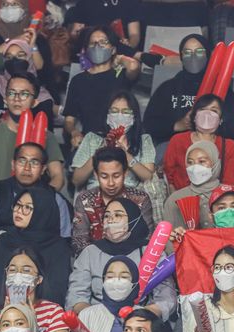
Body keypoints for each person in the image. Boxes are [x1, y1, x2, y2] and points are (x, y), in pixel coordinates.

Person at [67, 198, 176, 318]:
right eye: (107, 216)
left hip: (142, 319)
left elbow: (166, 298)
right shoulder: (90, 253)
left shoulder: (151, 251)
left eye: (118, 215)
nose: (111, 220)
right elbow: (76, 295)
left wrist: (140, 317)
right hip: (98, 319)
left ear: (133, 218)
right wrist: (94, 317)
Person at [71, 91, 164, 221]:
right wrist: (99, 154)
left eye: (126, 112)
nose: (119, 115)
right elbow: (76, 179)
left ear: (134, 116)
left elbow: (148, 176)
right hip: (96, 197)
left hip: (131, 200)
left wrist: (126, 155)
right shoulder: (92, 138)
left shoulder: (143, 140)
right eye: (114, 111)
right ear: (107, 115)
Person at [143, 34, 234, 145]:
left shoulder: (221, 89)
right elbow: (149, 124)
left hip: (212, 146)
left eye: (199, 51)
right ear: (181, 57)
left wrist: (212, 128)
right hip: (174, 146)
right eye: (187, 52)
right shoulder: (168, 88)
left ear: (208, 55)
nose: (193, 56)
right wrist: (177, 125)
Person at [0, 142, 71, 253]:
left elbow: (63, 241)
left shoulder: (55, 199)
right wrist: (12, 255)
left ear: (43, 169)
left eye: (34, 162)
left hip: (42, 257)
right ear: (13, 164)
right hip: (1, 252)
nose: (27, 168)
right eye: (22, 161)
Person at [0, 72, 64, 191]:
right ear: (5, 99)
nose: (17, 99)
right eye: (11, 93)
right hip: (1, 200)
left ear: (35, 102)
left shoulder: (47, 136)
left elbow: (57, 177)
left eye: (24, 94)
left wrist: (42, 199)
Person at [0, 187, 71, 307]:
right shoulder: (5, 240)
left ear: (42, 211)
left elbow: (57, 291)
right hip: (5, 310)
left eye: (27, 207)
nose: (19, 211)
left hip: (44, 313)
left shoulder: (58, 247)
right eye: (18, 205)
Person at [63, 25, 139, 149]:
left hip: (120, 139)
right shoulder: (78, 80)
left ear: (113, 49)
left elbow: (133, 66)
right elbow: (69, 120)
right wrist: (74, 132)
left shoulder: (119, 75)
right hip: (90, 139)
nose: (98, 46)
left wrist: (119, 58)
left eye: (103, 42)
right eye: (93, 43)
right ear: (86, 49)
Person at [72, 147, 154, 255]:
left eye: (116, 176)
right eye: (104, 176)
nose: (111, 183)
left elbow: (147, 238)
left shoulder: (140, 199)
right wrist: (102, 258)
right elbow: (79, 240)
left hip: (133, 260)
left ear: (125, 173)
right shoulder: (85, 200)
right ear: (96, 175)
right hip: (95, 259)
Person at [0, 38, 55, 136]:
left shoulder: (42, 97)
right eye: (9, 57)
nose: (14, 60)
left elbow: (47, 133)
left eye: (20, 56)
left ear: (30, 59)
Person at [164, 94, 234, 192]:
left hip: (214, 201)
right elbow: (168, 176)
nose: (207, 115)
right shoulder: (178, 140)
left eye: (214, 111)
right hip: (181, 200)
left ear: (220, 120)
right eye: (202, 109)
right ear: (194, 116)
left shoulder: (230, 147)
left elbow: (230, 183)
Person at [0, 0, 51, 84]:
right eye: (5, 4)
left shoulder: (36, 37)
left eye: (15, 4)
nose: (9, 8)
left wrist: (32, 45)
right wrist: (15, 41)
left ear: (24, 8)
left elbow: (43, 71)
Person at [163, 141, 223, 231]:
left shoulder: (230, 195)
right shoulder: (175, 199)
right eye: (190, 162)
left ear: (215, 163)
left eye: (202, 161)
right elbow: (168, 238)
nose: (195, 167)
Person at [65, 0, 141, 47]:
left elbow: (134, 34)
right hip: (92, 47)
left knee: (133, 66)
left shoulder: (131, 2)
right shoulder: (85, 3)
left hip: (120, 48)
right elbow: (76, 33)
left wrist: (130, 45)